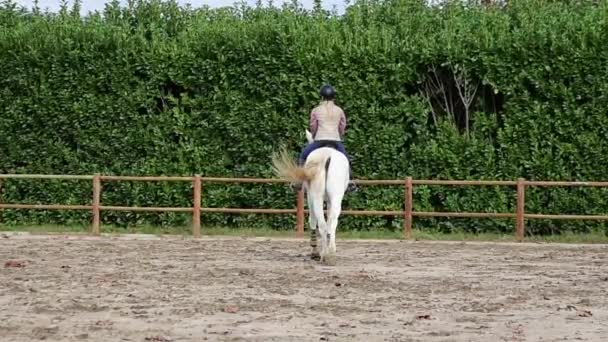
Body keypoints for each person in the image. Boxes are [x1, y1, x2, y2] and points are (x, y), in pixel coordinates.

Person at [291, 84, 357, 193]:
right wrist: (339, 134)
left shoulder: (316, 110)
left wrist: (314, 134)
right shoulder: (339, 110)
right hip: (335, 140)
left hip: (320, 140)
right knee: (346, 158)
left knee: (303, 155)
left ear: (322, 96)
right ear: (333, 96)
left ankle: (299, 181)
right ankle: (350, 181)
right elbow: (342, 126)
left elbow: (313, 126)